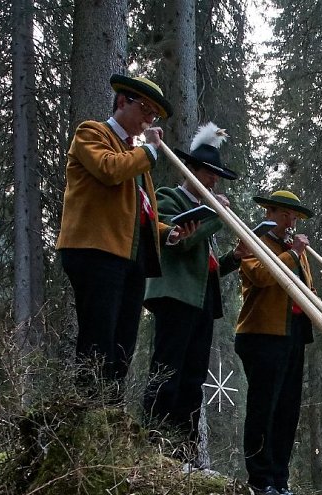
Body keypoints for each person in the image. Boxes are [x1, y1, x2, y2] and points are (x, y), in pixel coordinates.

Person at [56, 73, 196, 399]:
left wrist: (169, 233)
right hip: (94, 251)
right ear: (122, 101)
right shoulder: (92, 133)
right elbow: (109, 169)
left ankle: (112, 422)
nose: (149, 120)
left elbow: (140, 215)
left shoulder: (135, 156)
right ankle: (88, 417)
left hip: (129, 258)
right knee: (97, 339)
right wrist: (148, 150)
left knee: (123, 345)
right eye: (146, 111)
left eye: (154, 116)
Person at [143, 123, 244, 461]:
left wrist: (234, 258)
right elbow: (180, 243)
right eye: (208, 173)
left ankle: (184, 453)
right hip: (174, 297)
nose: (214, 180)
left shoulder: (205, 211)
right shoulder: (169, 199)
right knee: (167, 371)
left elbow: (207, 264)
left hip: (202, 301)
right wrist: (216, 215)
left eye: (216, 175)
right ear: (192, 170)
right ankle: (154, 445)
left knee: (193, 379)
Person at [235, 190, 316, 495]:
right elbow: (260, 275)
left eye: (294, 217)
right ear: (270, 211)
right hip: (262, 334)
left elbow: (306, 286)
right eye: (287, 215)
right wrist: (293, 254)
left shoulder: (293, 247)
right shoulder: (252, 239)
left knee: (287, 411)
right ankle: (259, 480)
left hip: (293, 334)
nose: (292, 222)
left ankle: (280, 481)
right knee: (263, 408)